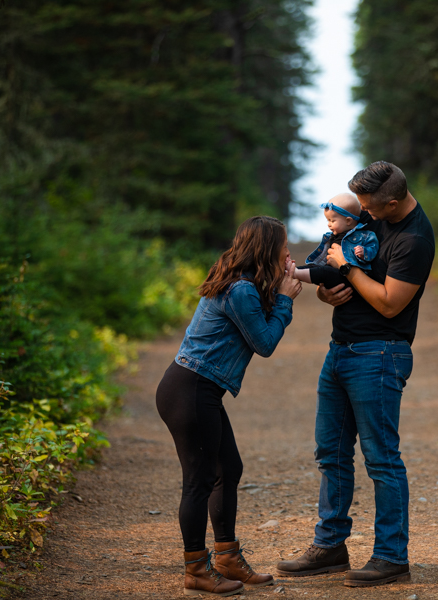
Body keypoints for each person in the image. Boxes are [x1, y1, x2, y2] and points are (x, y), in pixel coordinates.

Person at [276, 161, 435, 587]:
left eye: (370, 206)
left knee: (382, 459)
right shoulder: (373, 213)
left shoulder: (414, 240)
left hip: (381, 355)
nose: (363, 212)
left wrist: (347, 268)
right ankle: (330, 546)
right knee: (330, 453)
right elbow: (338, 274)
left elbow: (388, 303)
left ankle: (390, 556)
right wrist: (329, 291)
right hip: (341, 350)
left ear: (393, 202)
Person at [156, 216, 302, 597]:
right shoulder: (240, 290)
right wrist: (285, 299)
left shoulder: (243, 284)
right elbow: (265, 343)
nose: (289, 252)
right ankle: (196, 570)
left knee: (228, 469)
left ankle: (227, 558)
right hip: (191, 389)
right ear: (267, 249)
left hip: (195, 387)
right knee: (199, 481)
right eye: (283, 246)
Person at [293, 193, 378, 285]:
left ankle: (294, 273)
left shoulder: (364, 235)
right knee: (314, 267)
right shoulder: (332, 237)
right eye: (328, 220)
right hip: (331, 270)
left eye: (332, 221)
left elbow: (373, 248)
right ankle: (290, 271)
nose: (329, 224)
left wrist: (363, 252)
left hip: (348, 278)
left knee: (324, 272)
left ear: (348, 221)